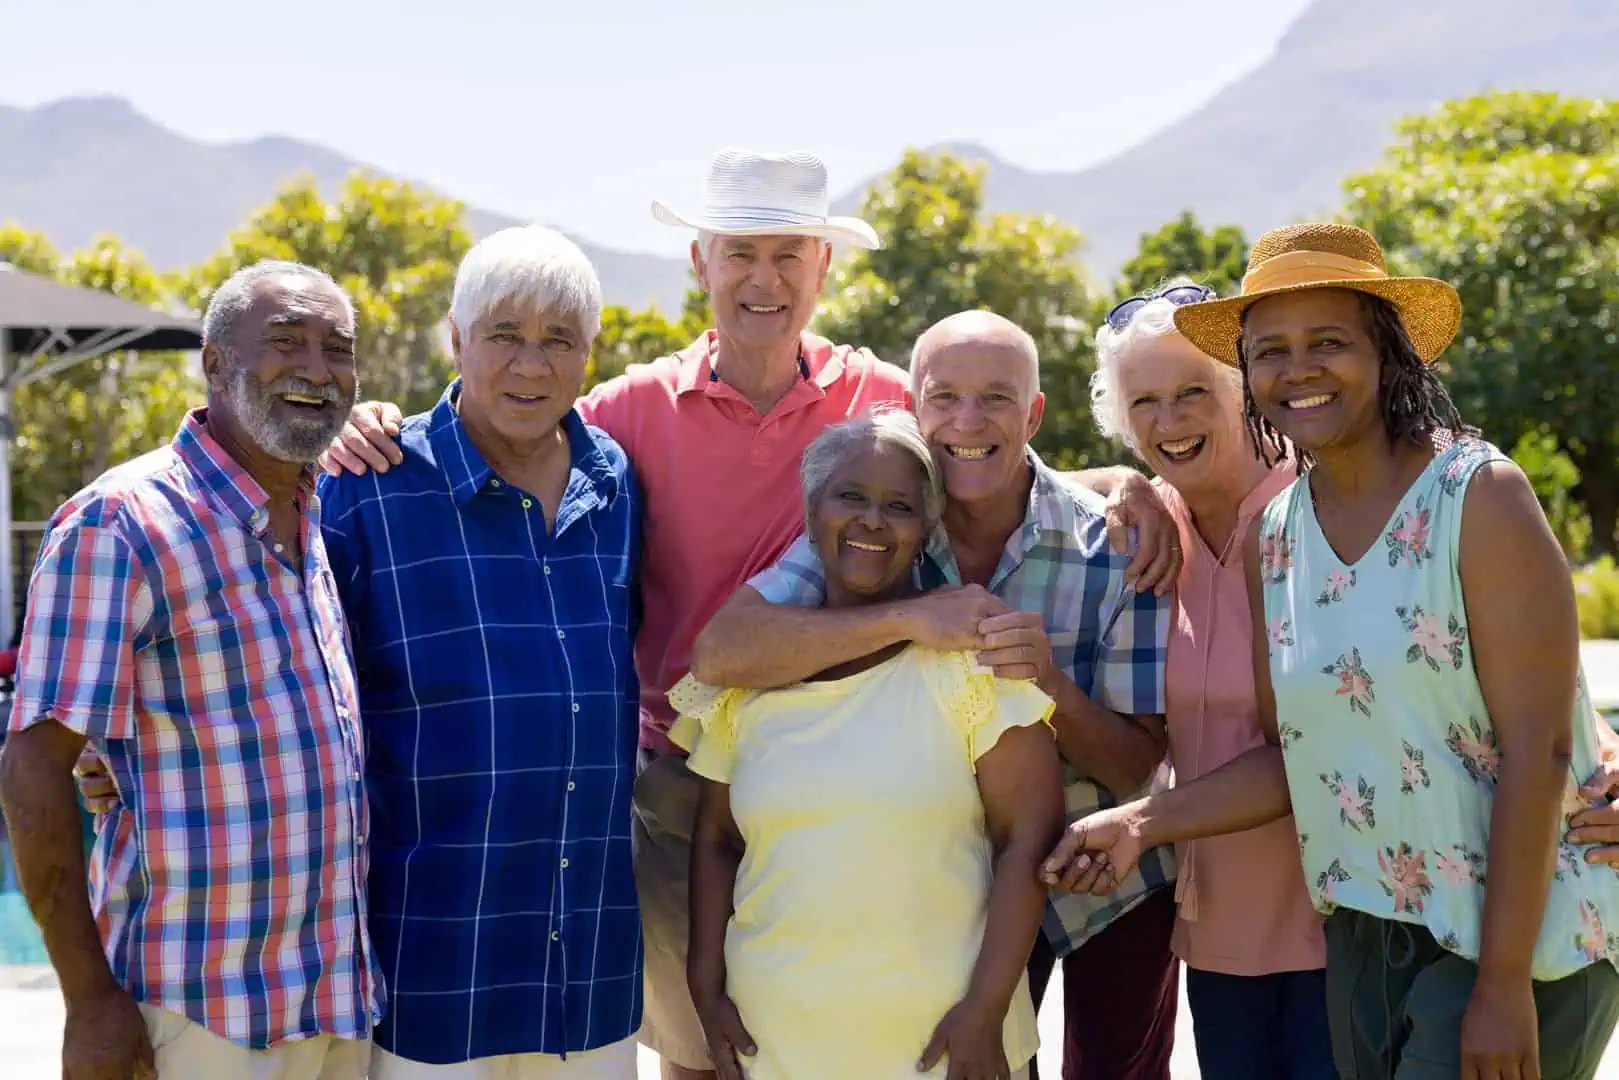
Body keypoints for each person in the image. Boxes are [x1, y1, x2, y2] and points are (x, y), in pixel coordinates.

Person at [320, 150, 1182, 1080]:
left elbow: (983, 454)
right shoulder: (623, 417)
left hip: (877, 776)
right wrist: (373, 427)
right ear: (700, 262)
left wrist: (1127, 484)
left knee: (865, 1031)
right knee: (709, 1055)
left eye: (787, 255)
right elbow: (504, 422)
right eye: (739, 253)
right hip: (681, 788)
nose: (761, 279)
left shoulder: (884, 397)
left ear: (822, 269)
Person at [1043, 222, 1619, 1080]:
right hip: (1364, 928)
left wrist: (1501, 986)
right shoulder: (1276, 537)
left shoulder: (1475, 495)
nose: (1296, 369)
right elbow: (1293, 755)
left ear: (1386, 354)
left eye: (1327, 342)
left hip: (1520, 934)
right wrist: (1134, 823)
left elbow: (1541, 746)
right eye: (1270, 350)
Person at [76, 227, 647, 1080]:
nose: (531, 366)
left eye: (558, 341)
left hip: (590, 962)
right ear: (456, 339)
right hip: (429, 957)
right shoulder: (366, 480)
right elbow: (256, 623)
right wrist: (105, 747)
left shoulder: (615, 483)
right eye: (504, 336)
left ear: (588, 355)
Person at [693, 309, 1179, 1080]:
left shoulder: (1117, 545)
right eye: (942, 397)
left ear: (1034, 414)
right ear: (914, 407)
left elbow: (1134, 772)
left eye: (994, 398)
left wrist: (1047, 683)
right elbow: (722, 653)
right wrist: (915, 615)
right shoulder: (886, 522)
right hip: (958, 888)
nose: (966, 420)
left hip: (1105, 876)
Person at [0, 260, 377, 1080]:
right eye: (286, 342)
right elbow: (33, 764)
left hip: (331, 1004)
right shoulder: (123, 523)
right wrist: (89, 1001)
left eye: (338, 348)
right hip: (193, 1016)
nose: (317, 368)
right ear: (213, 361)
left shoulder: (315, 515)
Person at [677, 410, 1064, 1080]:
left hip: (949, 1044)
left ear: (925, 531)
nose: (872, 522)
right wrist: (704, 985)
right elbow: (714, 839)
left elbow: (1029, 836)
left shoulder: (971, 661)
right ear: (810, 513)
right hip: (776, 1037)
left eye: (899, 507)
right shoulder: (746, 679)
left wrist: (985, 1008)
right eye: (850, 497)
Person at [1088, 278, 1333, 1078]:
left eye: (1193, 391)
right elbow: (1032, 484)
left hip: (1348, 916)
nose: (1169, 421)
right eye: (1144, 402)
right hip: (1222, 928)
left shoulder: (1324, 502)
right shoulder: (1149, 523)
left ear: (1244, 393)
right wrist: (1121, 484)